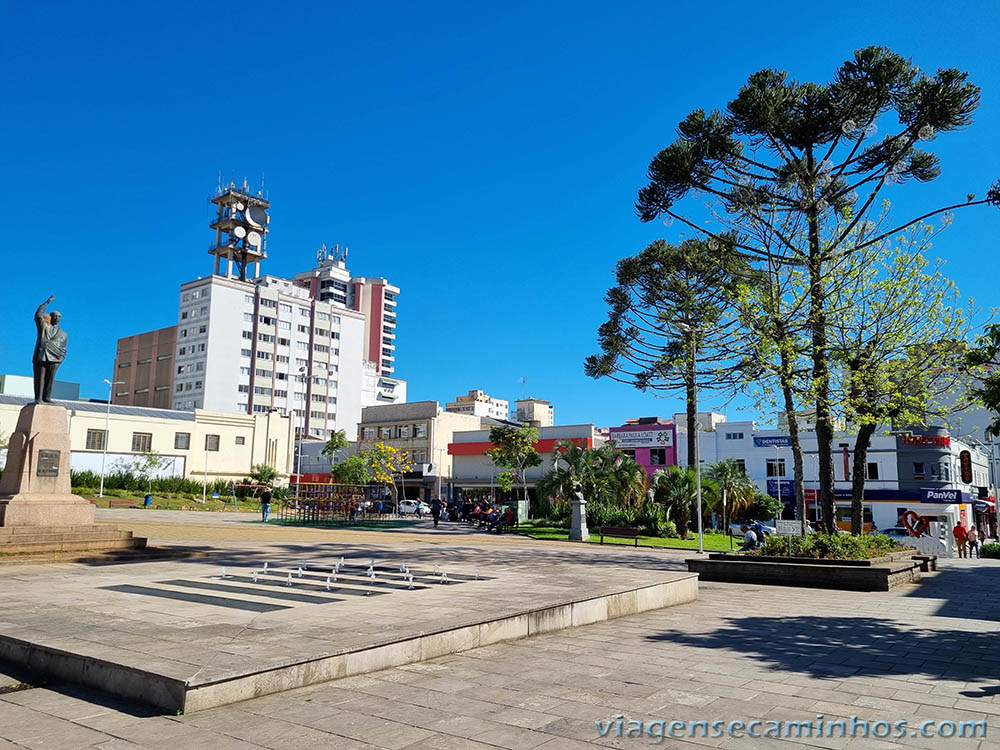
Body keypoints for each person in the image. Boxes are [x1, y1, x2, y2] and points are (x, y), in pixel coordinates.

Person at [33, 296, 68, 404]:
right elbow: (38, 316)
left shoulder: (63, 333)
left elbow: (64, 348)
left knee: (50, 379)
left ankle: (47, 397)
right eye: (55, 316)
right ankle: (38, 398)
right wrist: (46, 303)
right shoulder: (44, 326)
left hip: (55, 359)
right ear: (51, 317)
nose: (57, 318)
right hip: (41, 355)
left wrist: (61, 359)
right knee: (39, 378)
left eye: (59, 317)